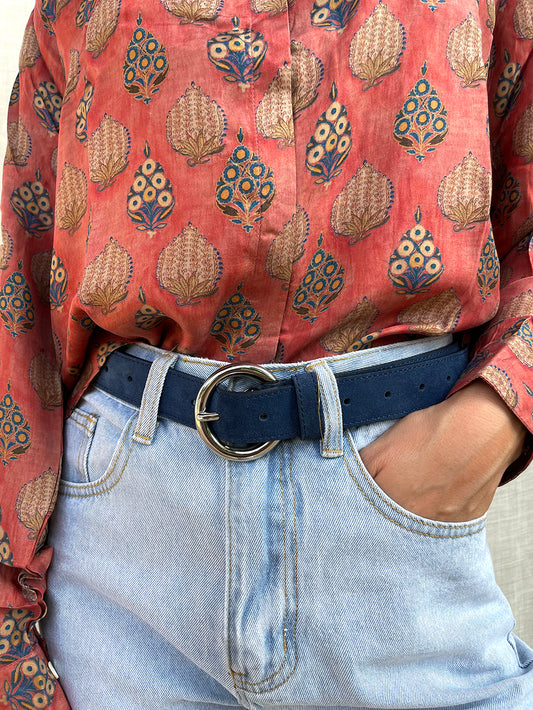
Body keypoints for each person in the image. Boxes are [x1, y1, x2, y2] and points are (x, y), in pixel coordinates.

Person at [1, 0, 533, 707]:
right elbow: (26, 264)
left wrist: (496, 415)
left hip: (396, 535)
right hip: (125, 562)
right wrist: (9, 614)